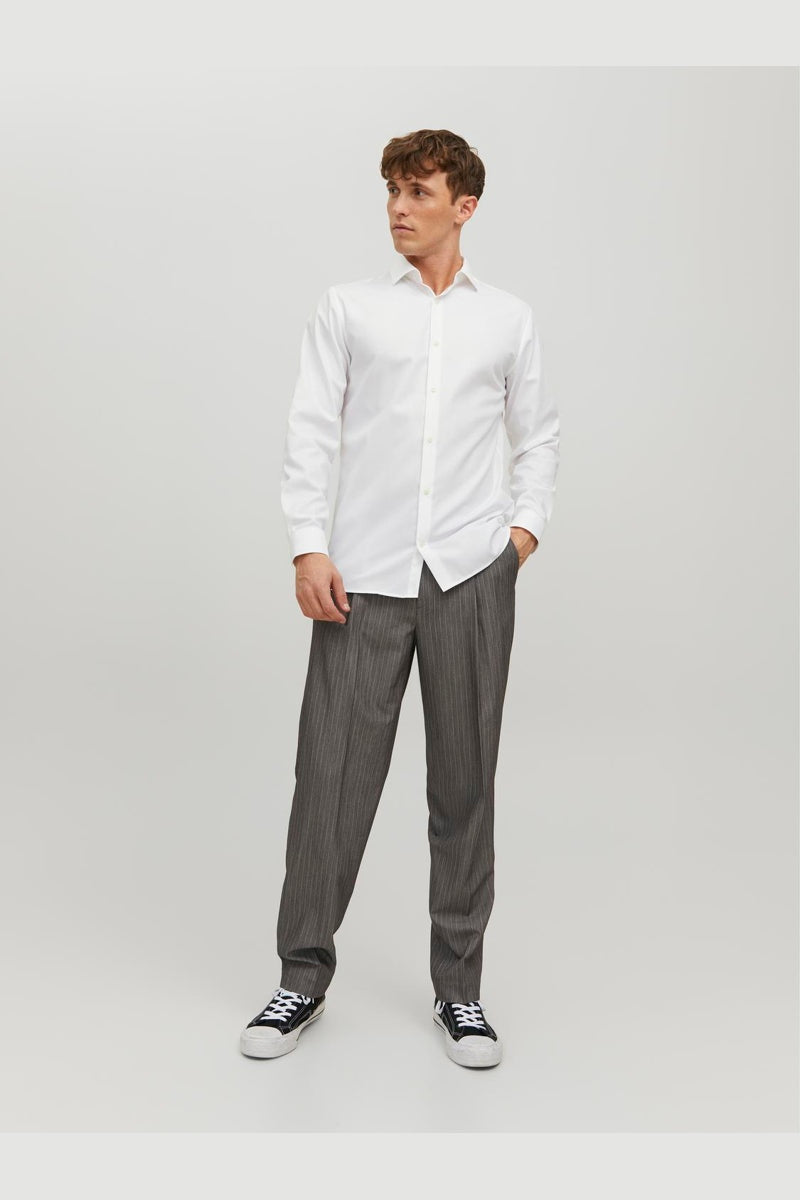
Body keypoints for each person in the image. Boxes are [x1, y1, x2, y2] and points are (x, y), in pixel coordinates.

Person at [240, 128, 560, 1069]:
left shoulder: (508, 319)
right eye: (391, 190)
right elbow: (312, 430)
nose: (397, 208)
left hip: (471, 577)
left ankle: (460, 992)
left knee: (465, 786)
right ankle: (301, 978)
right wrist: (309, 545)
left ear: (465, 206)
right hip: (364, 579)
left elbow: (537, 435)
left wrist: (519, 539)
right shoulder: (349, 309)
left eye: (418, 191)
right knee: (329, 785)